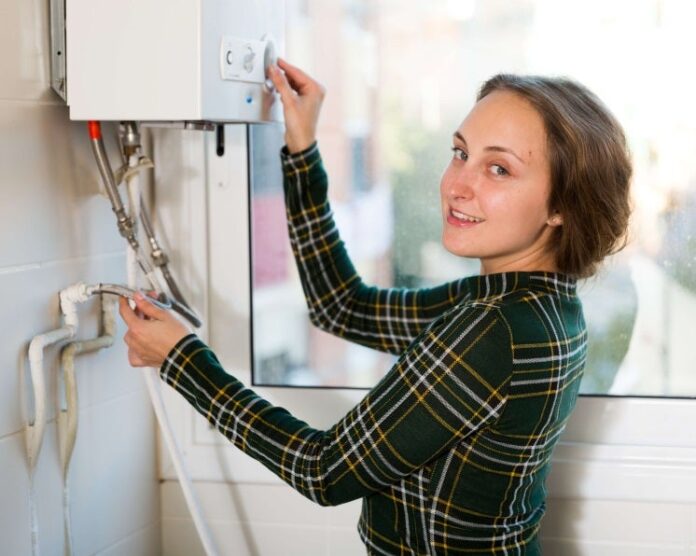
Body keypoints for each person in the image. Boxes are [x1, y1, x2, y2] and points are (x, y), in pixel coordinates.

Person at [119, 58, 632, 554]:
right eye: (460, 153)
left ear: (563, 205)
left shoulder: (495, 329)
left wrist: (181, 359)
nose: (457, 185)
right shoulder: (534, 304)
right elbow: (343, 307)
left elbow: (323, 471)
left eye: (498, 169)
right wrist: (301, 147)